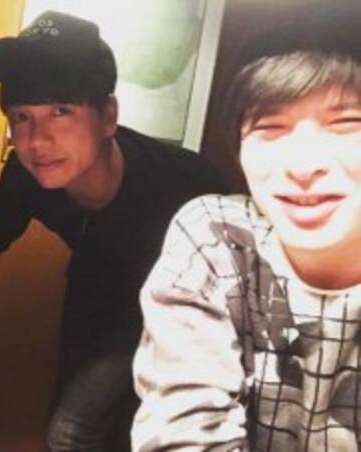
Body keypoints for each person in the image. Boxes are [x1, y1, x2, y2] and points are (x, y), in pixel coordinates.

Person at [0, 11, 228, 451]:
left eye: (61, 111)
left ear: (107, 116)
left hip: (180, 312)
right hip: (95, 289)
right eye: (20, 116)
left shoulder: (186, 185)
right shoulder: (23, 173)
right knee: (68, 428)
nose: (37, 141)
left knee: (79, 431)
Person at [131, 5, 361, 450]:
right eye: (271, 127)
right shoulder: (218, 239)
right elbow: (183, 435)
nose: (303, 165)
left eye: (346, 124)